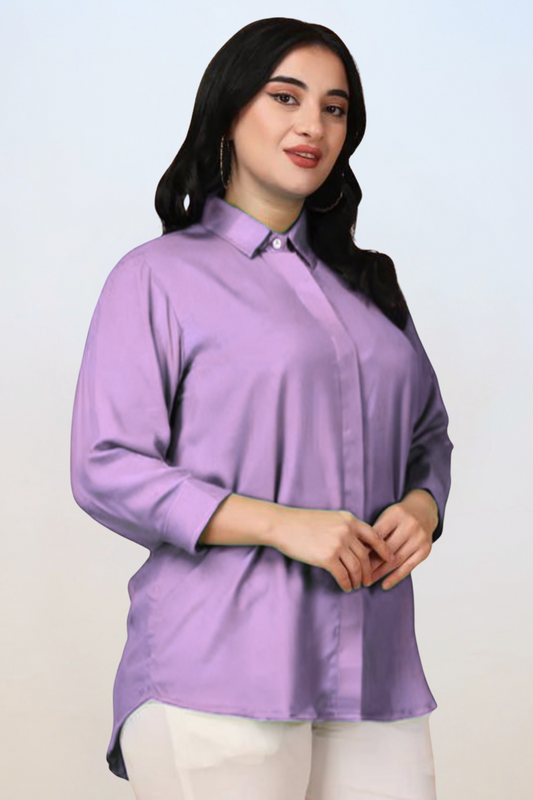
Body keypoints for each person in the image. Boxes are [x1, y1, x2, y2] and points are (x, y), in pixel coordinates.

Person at [70, 16, 453, 800]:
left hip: (373, 671)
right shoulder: (157, 277)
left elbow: (428, 433)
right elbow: (105, 465)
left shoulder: (370, 286)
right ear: (229, 109)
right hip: (216, 675)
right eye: (285, 97)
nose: (312, 125)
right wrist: (282, 524)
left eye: (334, 108)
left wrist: (422, 506)